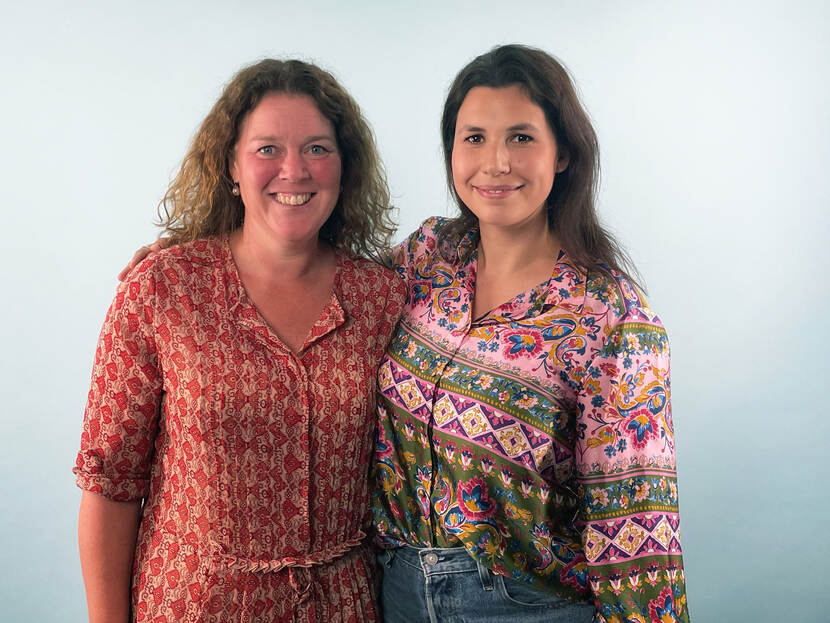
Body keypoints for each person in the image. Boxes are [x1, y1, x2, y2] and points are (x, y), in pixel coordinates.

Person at [75, 59, 405, 622]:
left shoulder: (384, 296)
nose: (294, 170)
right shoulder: (163, 288)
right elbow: (110, 482)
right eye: (267, 149)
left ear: (345, 167)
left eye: (318, 149)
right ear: (231, 164)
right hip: (193, 605)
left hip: (343, 608)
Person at [369, 45, 689, 622]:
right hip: (396, 594)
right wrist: (202, 255)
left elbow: (637, 522)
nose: (495, 163)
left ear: (563, 153)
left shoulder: (611, 315)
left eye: (521, 138)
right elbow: (313, 282)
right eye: (474, 138)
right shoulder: (427, 257)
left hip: (526, 606)